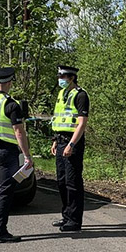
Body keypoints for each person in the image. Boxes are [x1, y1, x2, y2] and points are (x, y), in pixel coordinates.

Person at [0, 67, 32, 244]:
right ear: (9, 83)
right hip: (7, 151)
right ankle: (0, 232)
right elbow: (19, 132)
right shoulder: (11, 104)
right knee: (5, 191)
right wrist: (27, 155)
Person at [51, 65, 89, 232]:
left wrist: (71, 144)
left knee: (72, 182)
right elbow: (57, 119)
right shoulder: (61, 94)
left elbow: (82, 123)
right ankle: (66, 215)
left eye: (63, 77)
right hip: (60, 141)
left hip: (72, 142)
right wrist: (54, 140)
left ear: (71, 78)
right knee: (61, 181)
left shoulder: (80, 95)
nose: (60, 79)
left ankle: (74, 221)